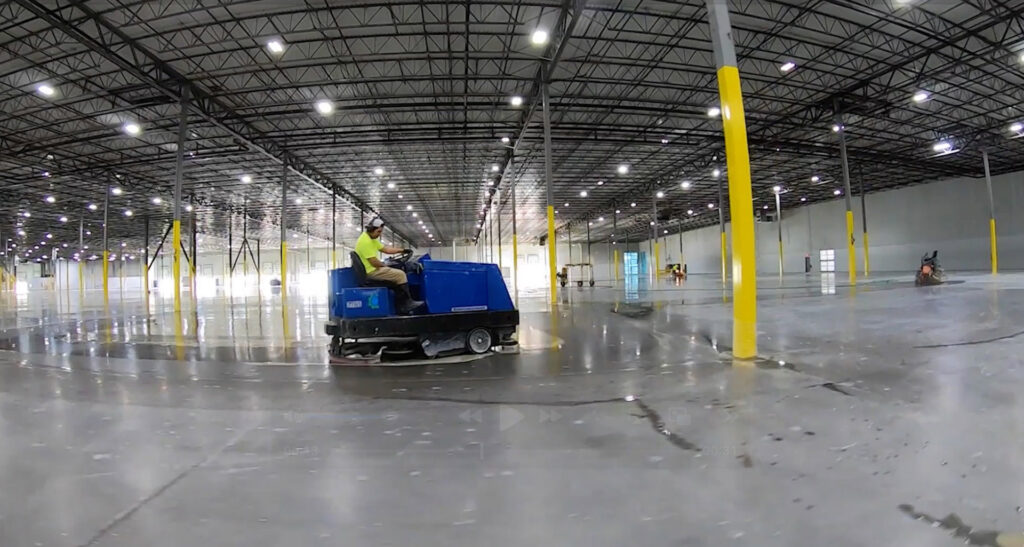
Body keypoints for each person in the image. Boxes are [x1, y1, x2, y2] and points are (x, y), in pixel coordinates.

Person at [355, 218, 423, 313]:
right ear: (371, 229)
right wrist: (386, 266)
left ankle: (401, 303)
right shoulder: (365, 241)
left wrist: (403, 250)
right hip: (371, 272)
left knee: (395, 272)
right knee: (400, 274)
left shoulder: (371, 238)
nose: (380, 234)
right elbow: (374, 262)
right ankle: (405, 305)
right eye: (378, 232)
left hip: (372, 269)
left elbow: (386, 249)